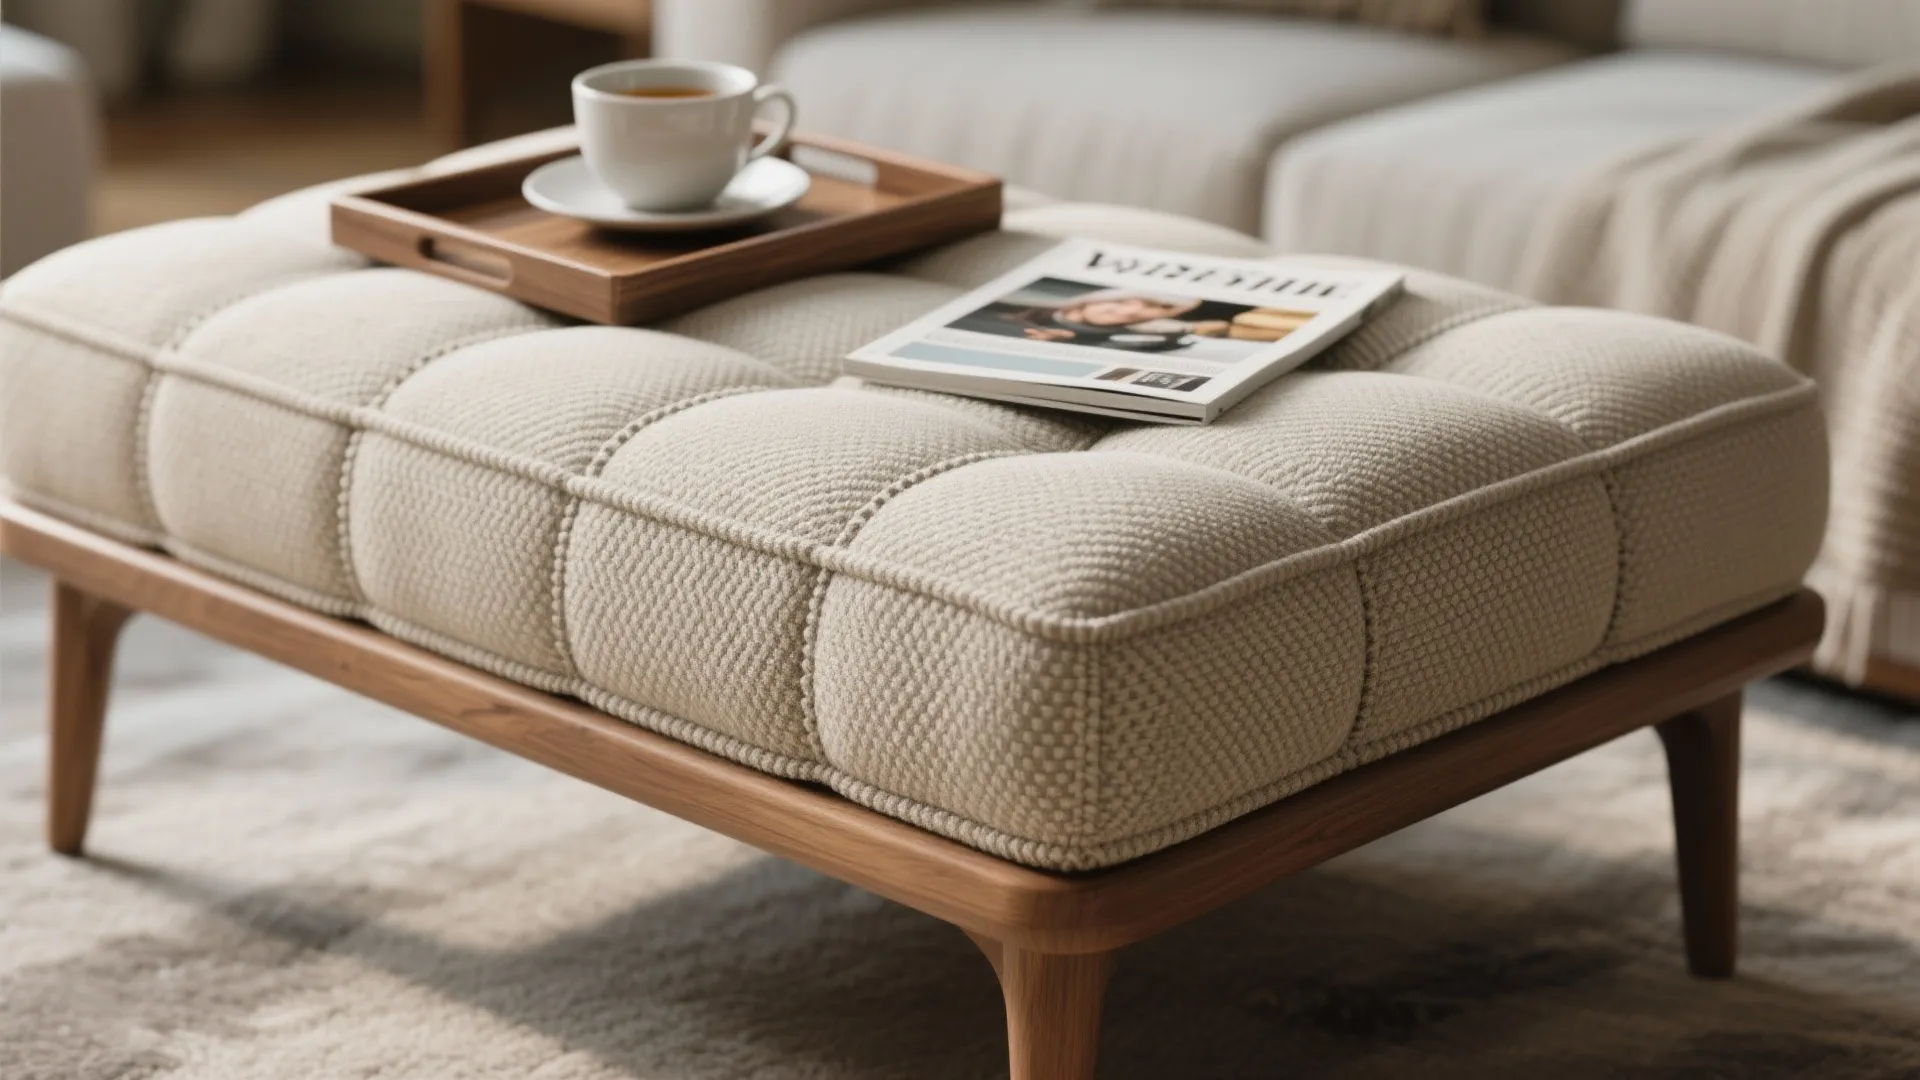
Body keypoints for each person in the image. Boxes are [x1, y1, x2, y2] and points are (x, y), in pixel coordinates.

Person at [954, 289, 1232, 353]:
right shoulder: (1014, 305)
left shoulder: (1108, 339)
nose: (1128, 311)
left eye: (1154, 308)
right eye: (1123, 301)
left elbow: (1170, 340)